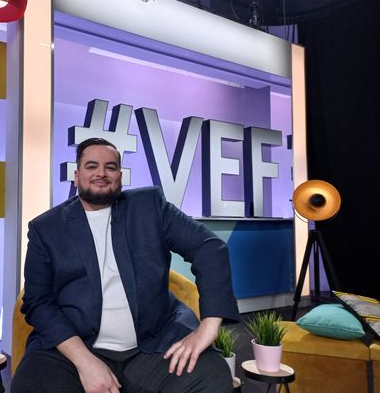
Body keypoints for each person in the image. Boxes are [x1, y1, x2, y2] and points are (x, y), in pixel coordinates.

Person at [12, 138, 240, 393]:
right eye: (91, 166)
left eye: (110, 167)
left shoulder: (149, 206)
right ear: (76, 176)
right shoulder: (46, 228)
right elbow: (38, 301)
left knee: (212, 378)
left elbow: (208, 247)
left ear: (120, 175)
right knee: (31, 385)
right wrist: (84, 361)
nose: (101, 173)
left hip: (154, 345)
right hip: (74, 348)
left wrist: (209, 326)